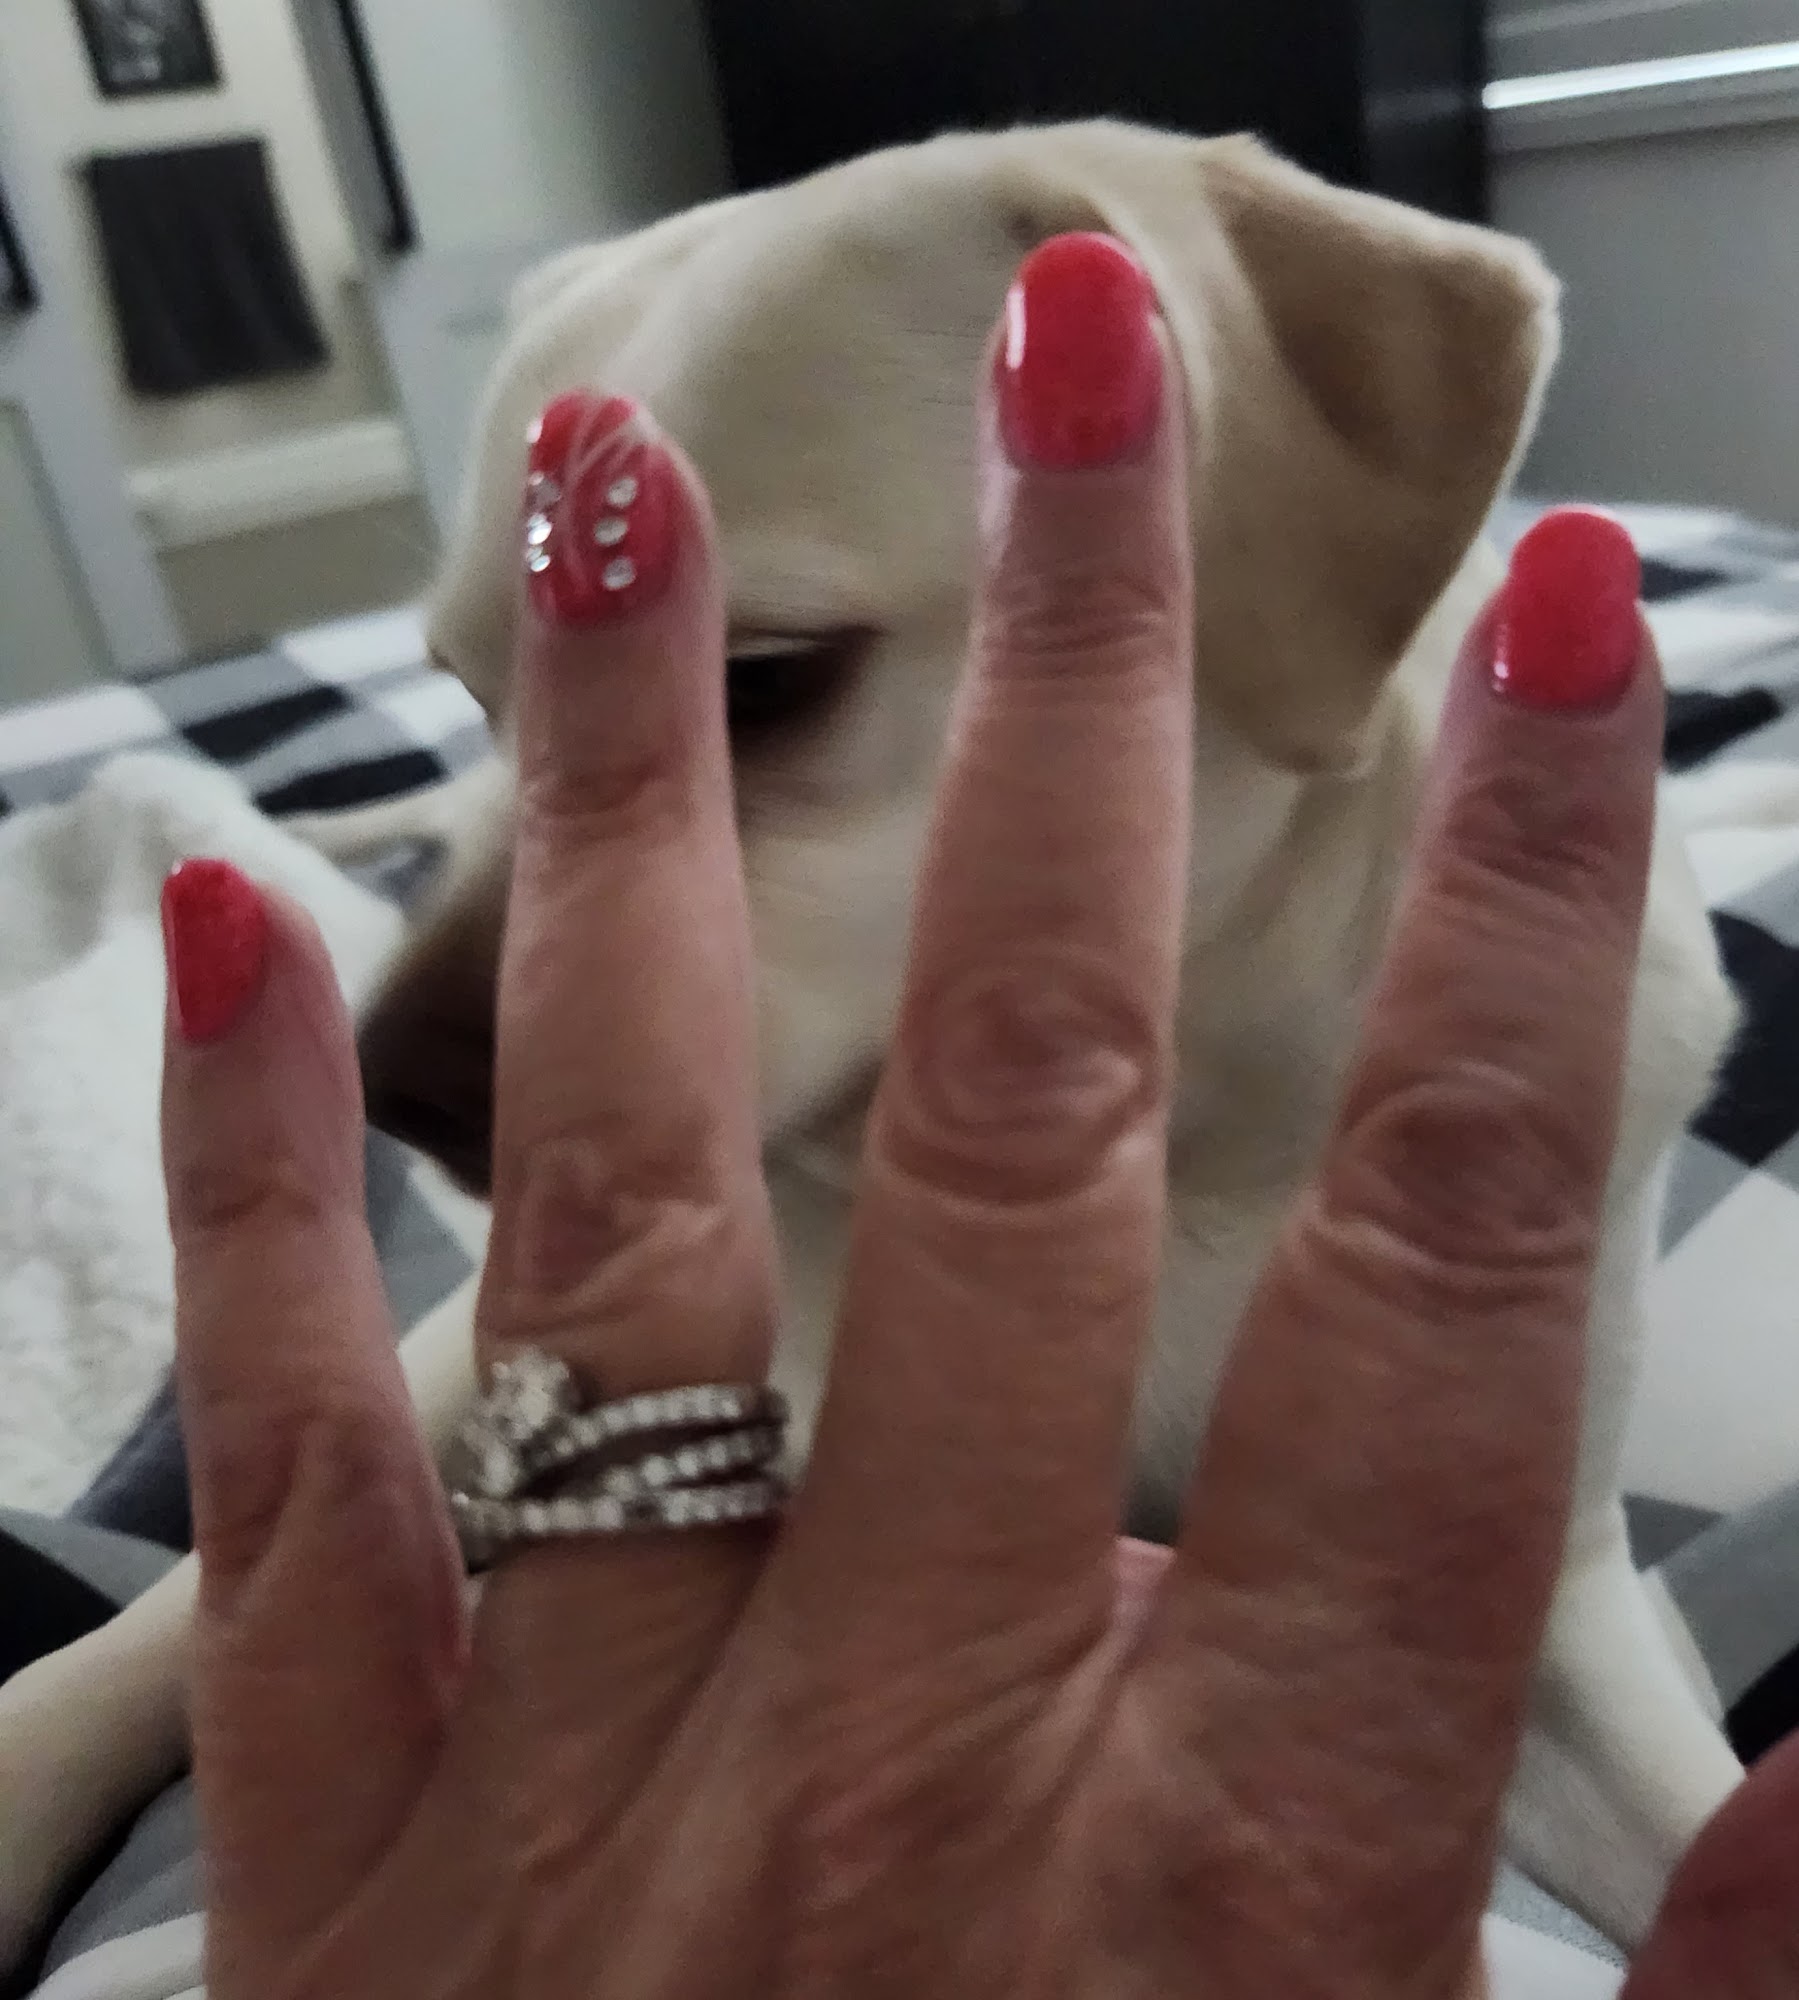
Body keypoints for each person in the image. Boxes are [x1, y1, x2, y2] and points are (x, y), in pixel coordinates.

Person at [150, 233, 1797, 1999]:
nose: (548, 951)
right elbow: (559, 1389)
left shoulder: (1557, 1032)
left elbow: (1551, 1609)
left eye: (764, 681)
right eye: (496, 716)